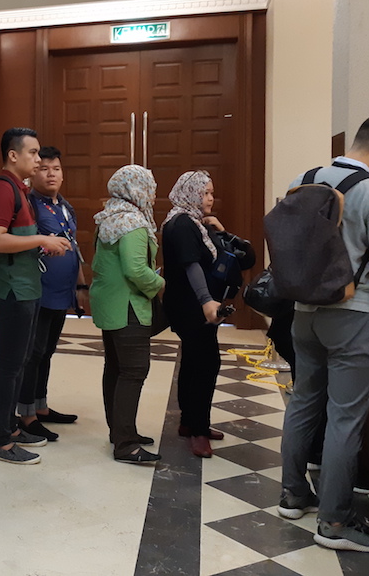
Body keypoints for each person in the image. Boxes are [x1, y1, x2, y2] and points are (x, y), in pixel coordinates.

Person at [278, 113, 369, 554]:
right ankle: (334, 521)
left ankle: (294, 495)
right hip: (352, 314)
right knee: (345, 418)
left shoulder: (305, 178)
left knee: (303, 401)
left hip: (303, 311)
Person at [0, 128, 72, 465]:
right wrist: (41, 241)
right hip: (11, 291)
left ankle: (12, 428)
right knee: (8, 366)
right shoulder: (3, 190)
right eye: (33, 154)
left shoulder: (20, 190)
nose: (39, 160)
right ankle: (0, 441)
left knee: (19, 363)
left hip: (25, 288)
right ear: (13, 155)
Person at [161, 170, 254, 458]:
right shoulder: (181, 225)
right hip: (192, 307)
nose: (210, 198)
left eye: (211, 192)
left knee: (193, 361)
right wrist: (206, 301)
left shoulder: (197, 224)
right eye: (205, 193)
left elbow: (244, 257)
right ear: (190, 194)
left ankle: (190, 422)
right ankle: (198, 430)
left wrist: (221, 230)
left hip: (199, 306)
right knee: (205, 364)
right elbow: (191, 266)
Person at [91, 165, 165, 463]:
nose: (155, 192)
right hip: (128, 307)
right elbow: (135, 270)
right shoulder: (132, 223)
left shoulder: (111, 216)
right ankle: (126, 444)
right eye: (151, 185)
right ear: (136, 188)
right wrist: (160, 283)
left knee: (116, 368)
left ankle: (121, 432)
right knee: (133, 371)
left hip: (111, 305)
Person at [19, 146, 85, 441]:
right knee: (33, 352)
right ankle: (26, 414)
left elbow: (74, 246)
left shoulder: (64, 206)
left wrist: (81, 286)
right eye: (44, 168)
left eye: (56, 168)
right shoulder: (29, 204)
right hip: (39, 290)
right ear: (34, 173)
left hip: (62, 291)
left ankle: (41, 405)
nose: (51, 174)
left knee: (47, 350)